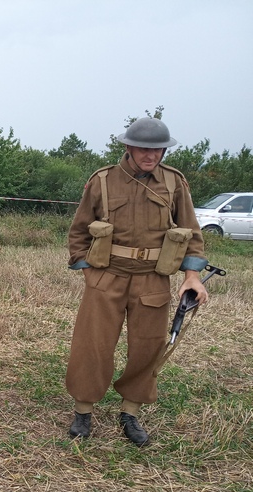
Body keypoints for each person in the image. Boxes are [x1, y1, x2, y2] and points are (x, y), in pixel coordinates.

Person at [66, 117, 208, 446]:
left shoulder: (174, 183)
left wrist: (192, 276)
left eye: (158, 149)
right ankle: (83, 410)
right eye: (144, 148)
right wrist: (90, 274)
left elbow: (192, 234)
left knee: (147, 346)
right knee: (92, 346)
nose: (151, 155)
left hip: (153, 279)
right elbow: (78, 233)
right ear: (129, 147)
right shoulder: (102, 180)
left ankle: (130, 411)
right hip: (107, 277)